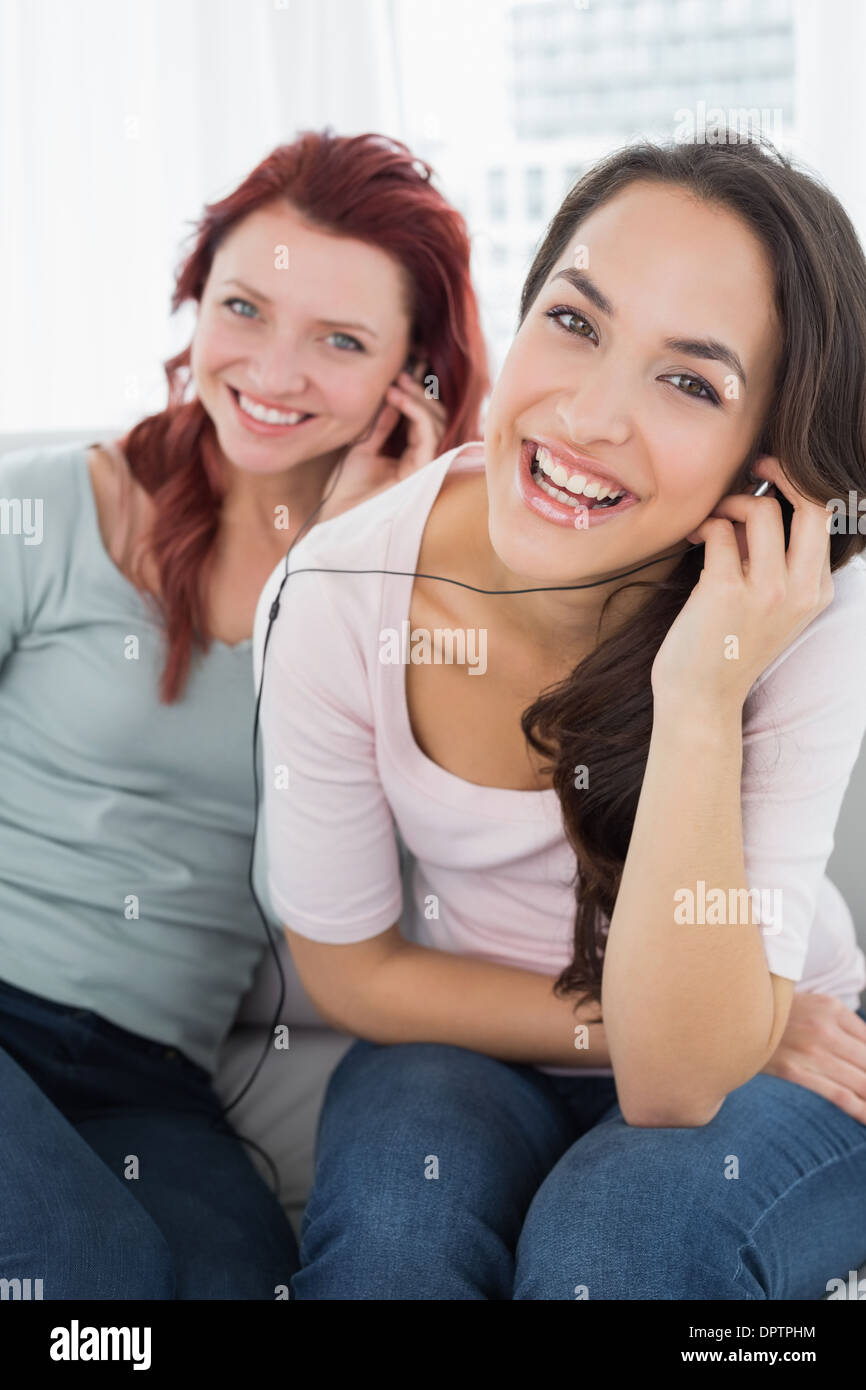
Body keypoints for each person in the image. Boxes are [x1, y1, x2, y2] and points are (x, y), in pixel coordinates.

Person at [255, 131, 866, 1300]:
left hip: (772, 1037)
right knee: (393, 1241)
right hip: (479, 1030)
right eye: (575, 322)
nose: (586, 416)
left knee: (614, 1249)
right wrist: (650, 1025)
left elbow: (678, 1082)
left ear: (764, 463)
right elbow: (349, 970)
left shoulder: (804, 600)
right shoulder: (338, 594)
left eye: (690, 381)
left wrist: (699, 694)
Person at [0, 129, 488, 1299]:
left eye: (340, 340)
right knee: (88, 1277)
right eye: (244, 308)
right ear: (194, 299)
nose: (273, 372)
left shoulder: (411, 598)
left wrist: (333, 578)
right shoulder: (49, 511)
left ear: (409, 380)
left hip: (143, 1075)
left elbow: (317, 894)